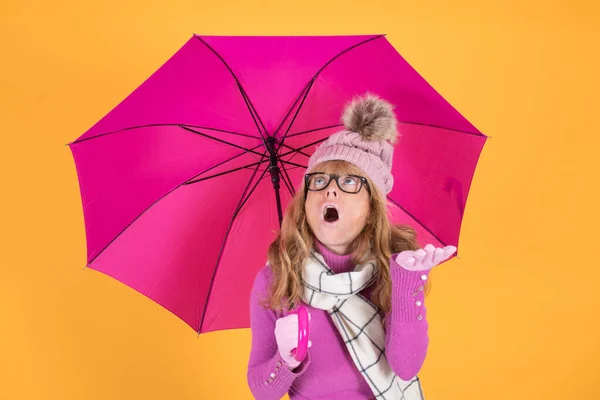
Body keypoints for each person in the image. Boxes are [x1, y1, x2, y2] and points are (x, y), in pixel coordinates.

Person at [247, 93, 456, 400]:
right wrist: (286, 360)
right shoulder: (276, 280)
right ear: (305, 202)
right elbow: (260, 391)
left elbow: (407, 367)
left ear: (370, 207)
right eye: (319, 182)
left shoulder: (392, 271)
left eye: (348, 183)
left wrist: (409, 282)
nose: (330, 191)